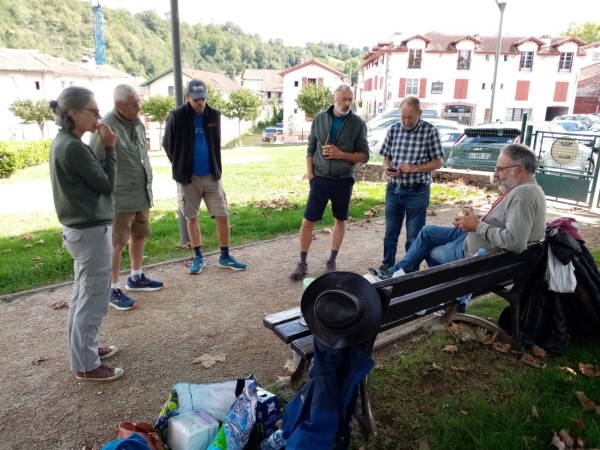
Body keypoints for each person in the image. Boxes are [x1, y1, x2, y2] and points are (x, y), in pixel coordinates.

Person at [370, 143, 546, 312]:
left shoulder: (523, 194)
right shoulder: (531, 189)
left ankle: (439, 299)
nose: (496, 174)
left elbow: (515, 242)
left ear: (520, 170)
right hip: (487, 249)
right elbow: (507, 226)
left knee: (430, 251)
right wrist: (473, 221)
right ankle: (396, 275)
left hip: (478, 256)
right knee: (427, 232)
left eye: (500, 169)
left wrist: (478, 225)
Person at [48, 86, 124, 382]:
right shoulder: (74, 147)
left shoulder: (64, 142)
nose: (97, 115)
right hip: (89, 231)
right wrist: (109, 147)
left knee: (82, 295)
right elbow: (107, 184)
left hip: (80, 231)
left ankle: (85, 351)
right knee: (92, 298)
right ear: (72, 114)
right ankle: (87, 365)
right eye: (92, 110)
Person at [90, 84, 163, 311]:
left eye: (139, 102)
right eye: (134, 104)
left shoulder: (138, 123)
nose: (139, 107)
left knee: (139, 234)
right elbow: (94, 161)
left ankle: (136, 276)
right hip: (119, 196)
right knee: (117, 242)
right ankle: (112, 288)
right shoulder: (107, 127)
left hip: (141, 191)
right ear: (119, 105)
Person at [162, 79, 246, 274]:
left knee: (223, 215)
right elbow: (168, 144)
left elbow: (214, 142)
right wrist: (181, 164)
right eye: (196, 99)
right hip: (188, 178)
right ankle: (198, 257)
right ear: (187, 97)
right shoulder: (176, 117)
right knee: (192, 217)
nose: (200, 103)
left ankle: (225, 256)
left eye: (203, 99)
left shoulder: (213, 115)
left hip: (212, 176)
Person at [290, 83, 370, 280]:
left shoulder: (357, 123)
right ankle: (302, 262)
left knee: (340, 220)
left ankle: (331, 260)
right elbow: (311, 147)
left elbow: (364, 156)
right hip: (320, 179)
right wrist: (310, 174)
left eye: (350, 99)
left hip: (343, 180)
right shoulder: (319, 118)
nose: (347, 103)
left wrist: (341, 154)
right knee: (308, 221)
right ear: (334, 99)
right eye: (343, 99)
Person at [378, 96, 444, 272]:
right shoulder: (393, 130)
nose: (406, 121)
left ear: (419, 113)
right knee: (390, 233)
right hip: (394, 188)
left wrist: (414, 168)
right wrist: (387, 169)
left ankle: (409, 269)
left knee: (414, 236)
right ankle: (387, 265)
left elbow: (438, 163)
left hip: (417, 190)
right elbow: (386, 158)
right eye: (403, 117)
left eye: (410, 117)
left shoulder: (430, 131)